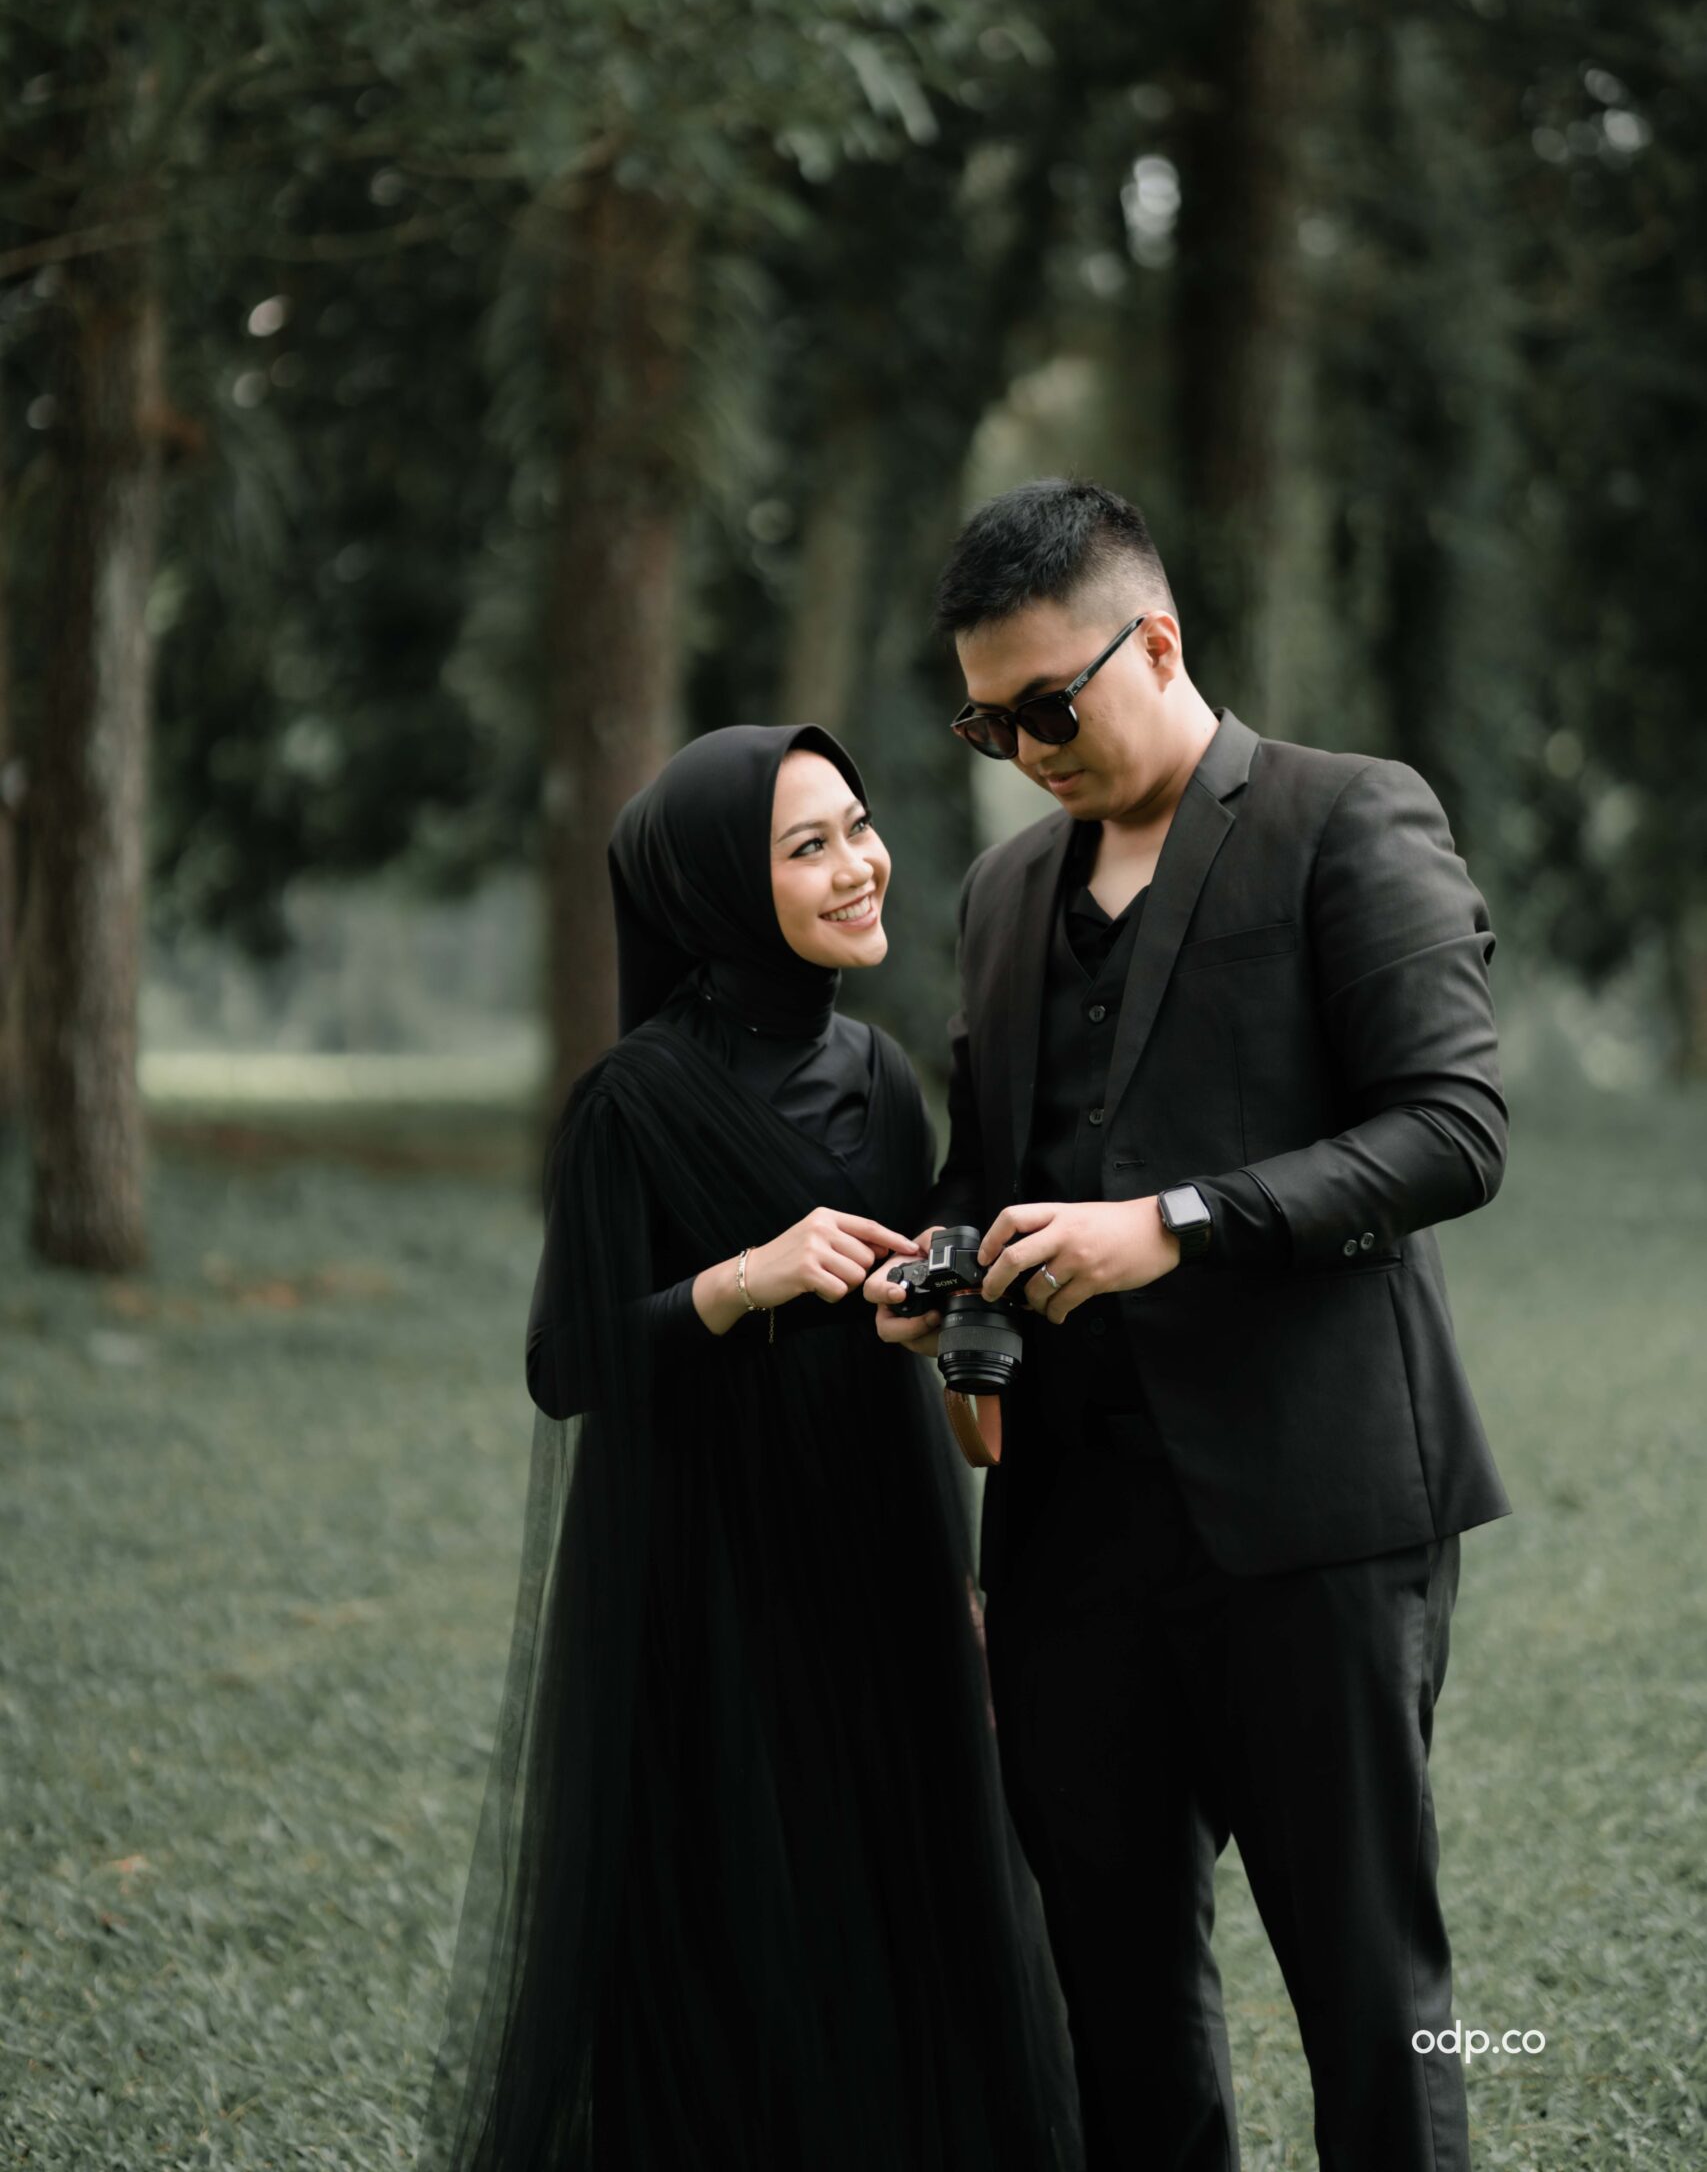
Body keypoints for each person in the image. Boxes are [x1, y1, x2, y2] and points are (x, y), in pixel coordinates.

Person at [870, 481, 1512, 2172]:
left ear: (1154, 642)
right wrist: (937, 1270)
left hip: (1316, 1518)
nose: (1024, 751)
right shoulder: (1003, 892)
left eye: (1048, 708)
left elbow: (1453, 1132)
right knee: (1118, 2006)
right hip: (1070, 1537)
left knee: (1375, 1995)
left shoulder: (1349, 818)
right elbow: (992, 1169)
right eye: (988, 723)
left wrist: (1175, 1223)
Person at [414, 721, 1080, 2172]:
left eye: (858, 827)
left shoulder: (881, 1076)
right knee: (738, 1928)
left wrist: (928, 1331)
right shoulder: (631, 1103)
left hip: (878, 1549)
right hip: (707, 1576)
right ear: (723, 888)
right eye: (808, 847)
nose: (859, 866)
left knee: (896, 1910)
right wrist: (744, 1280)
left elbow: (893, 1337)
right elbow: (564, 1364)